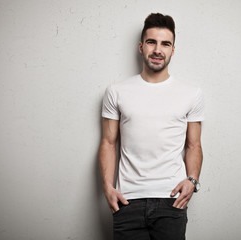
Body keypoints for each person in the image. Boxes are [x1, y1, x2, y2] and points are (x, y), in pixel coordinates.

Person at [99, 13, 204, 240]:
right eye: (151, 42)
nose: (158, 50)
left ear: (173, 50)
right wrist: (107, 187)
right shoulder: (116, 92)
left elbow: (194, 145)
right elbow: (108, 143)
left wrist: (192, 181)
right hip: (127, 201)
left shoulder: (191, 94)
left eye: (165, 44)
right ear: (141, 46)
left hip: (172, 201)